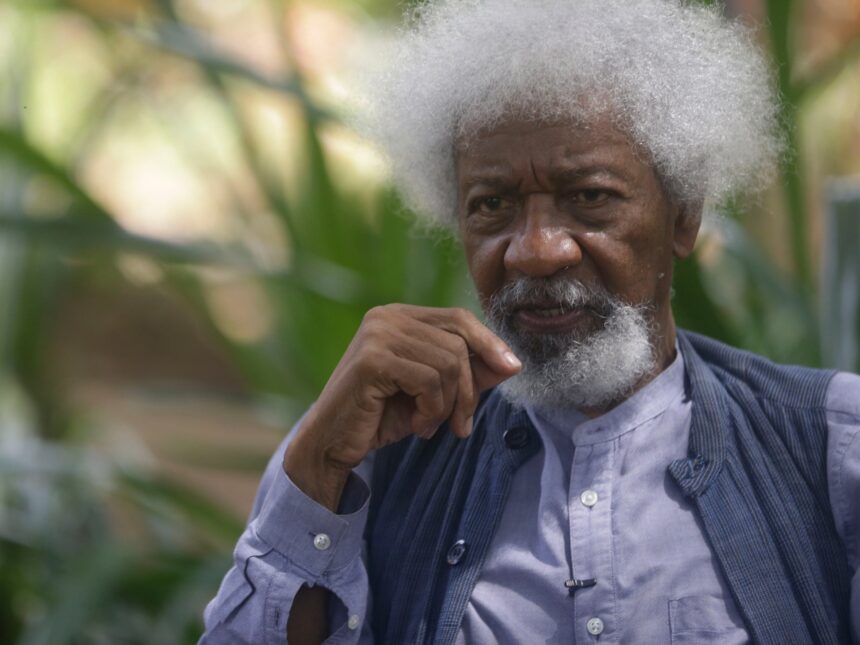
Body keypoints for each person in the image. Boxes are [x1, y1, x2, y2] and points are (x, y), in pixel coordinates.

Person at [200, 1, 860, 643]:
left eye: (590, 196)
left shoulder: (830, 446)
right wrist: (318, 467)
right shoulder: (366, 464)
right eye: (492, 204)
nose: (537, 251)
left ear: (683, 216)